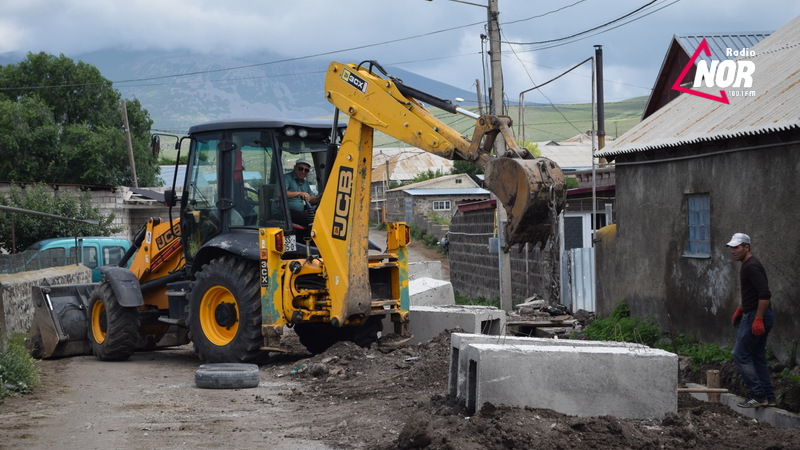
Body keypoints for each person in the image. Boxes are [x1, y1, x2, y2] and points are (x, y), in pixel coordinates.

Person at [727, 232, 776, 408]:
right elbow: (753, 293)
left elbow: (764, 294)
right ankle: (769, 397)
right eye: (731, 247)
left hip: (756, 315)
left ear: (746, 247)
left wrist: (758, 319)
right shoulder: (747, 264)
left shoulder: (751, 266)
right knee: (756, 356)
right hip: (753, 313)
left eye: (736, 247)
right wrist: (741, 308)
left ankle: (758, 394)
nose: (733, 251)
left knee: (740, 354)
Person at [283, 158, 318, 226]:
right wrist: (299, 193)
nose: (303, 172)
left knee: (320, 216)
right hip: (284, 211)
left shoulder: (305, 183)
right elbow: (281, 193)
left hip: (299, 211)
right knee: (309, 218)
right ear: (295, 168)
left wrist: (320, 198)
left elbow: (311, 199)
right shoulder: (286, 178)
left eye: (306, 170)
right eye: (300, 169)